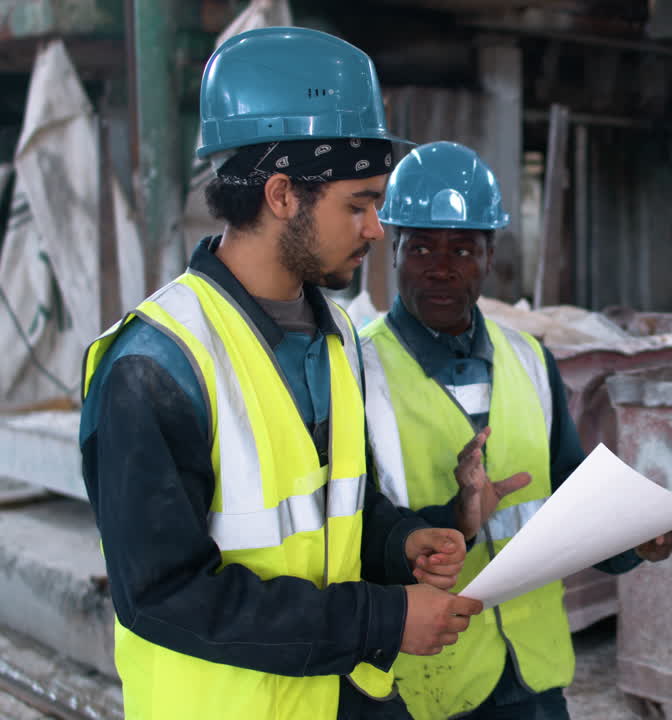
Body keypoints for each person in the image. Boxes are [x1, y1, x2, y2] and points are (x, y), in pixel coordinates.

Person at [79, 28, 483, 720]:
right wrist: (382, 622)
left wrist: (399, 541)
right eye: (357, 204)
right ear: (281, 195)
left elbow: (333, 510)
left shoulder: (339, 336)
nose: (376, 229)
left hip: (337, 697)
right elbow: (165, 596)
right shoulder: (156, 367)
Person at [360, 141, 672, 720]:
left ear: (490, 256)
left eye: (462, 248)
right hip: (425, 685)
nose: (440, 265)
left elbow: (575, 506)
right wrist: (452, 517)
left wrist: (635, 537)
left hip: (532, 677)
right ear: (393, 252)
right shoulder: (357, 374)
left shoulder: (530, 360)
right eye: (421, 246)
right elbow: (352, 540)